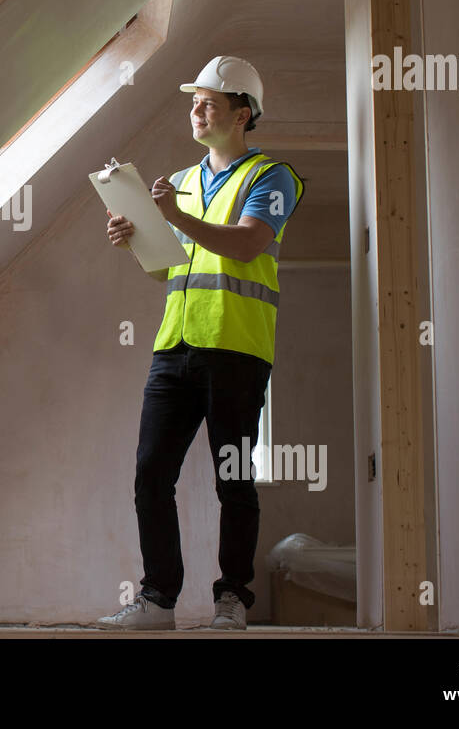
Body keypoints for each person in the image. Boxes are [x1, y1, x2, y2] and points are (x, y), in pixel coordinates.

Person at [96, 55, 304, 631]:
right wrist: (136, 239)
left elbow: (246, 245)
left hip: (236, 347)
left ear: (243, 115)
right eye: (194, 102)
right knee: (149, 474)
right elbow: (171, 271)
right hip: (175, 347)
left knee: (232, 478)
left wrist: (175, 220)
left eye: (208, 102)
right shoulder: (182, 183)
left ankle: (231, 597)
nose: (196, 110)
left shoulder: (272, 177)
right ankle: (159, 600)